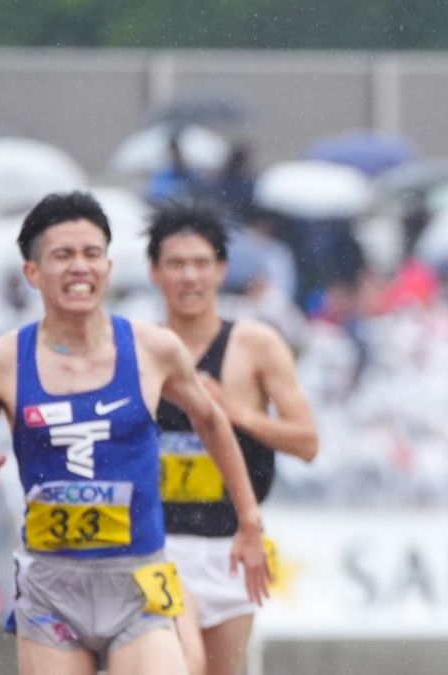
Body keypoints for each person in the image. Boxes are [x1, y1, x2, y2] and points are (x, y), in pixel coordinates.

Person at [0, 191, 270, 675]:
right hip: (53, 588)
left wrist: (249, 520)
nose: (79, 267)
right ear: (33, 273)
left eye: (92, 254)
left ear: (108, 267)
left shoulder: (154, 350)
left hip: (137, 579)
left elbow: (212, 421)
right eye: (62, 255)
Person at [146, 203, 319, 675]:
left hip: (232, 544)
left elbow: (307, 442)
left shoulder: (255, 346)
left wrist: (235, 412)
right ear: (154, 272)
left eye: (201, 263)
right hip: (158, 545)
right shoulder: (138, 350)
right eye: (176, 264)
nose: (189, 277)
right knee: (183, 664)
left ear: (221, 270)